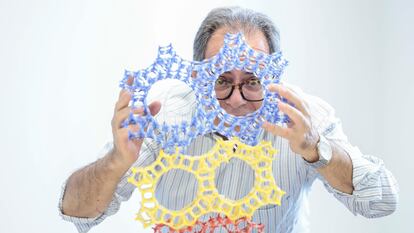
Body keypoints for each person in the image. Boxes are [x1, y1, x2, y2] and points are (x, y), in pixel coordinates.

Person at [59, 6, 399, 233]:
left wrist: (317, 149)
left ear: (273, 76)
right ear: (197, 77)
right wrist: (116, 162)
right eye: (221, 80)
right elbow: (75, 211)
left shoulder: (305, 120)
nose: (236, 99)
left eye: (252, 80)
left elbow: (382, 201)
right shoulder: (163, 117)